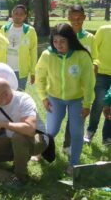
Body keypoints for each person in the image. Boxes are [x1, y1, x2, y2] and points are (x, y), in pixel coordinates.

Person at [35, 23, 95, 174]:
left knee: (76, 132)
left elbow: (89, 82)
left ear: (70, 40)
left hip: (77, 100)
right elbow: (40, 77)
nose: (58, 45)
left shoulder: (81, 56)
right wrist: (43, 97)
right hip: (54, 98)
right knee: (51, 130)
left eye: (62, 41)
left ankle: (74, 164)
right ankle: (41, 152)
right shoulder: (47, 55)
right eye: (55, 41)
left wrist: (87, 103)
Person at [62, 4, 97, 154]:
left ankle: (67, 145)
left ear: (84, 17)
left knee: (76, 117)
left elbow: (96, 58)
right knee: (58, 117)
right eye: (73, 18)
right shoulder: (63, 35)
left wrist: (95, 66)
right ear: (68, 17)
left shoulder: (90, 38)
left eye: (80, 18)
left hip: (83, 85)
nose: (76, 21)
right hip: (65, 82)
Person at [0, 5, 38, 91]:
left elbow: (33, 52)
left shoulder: (30, 31)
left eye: (21, 14)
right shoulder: (4, 29)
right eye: (16, 13)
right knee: (4, 95)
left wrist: (33, 72)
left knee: (19, 96)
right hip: (5, 69)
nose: (18, 16)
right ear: (12, 14)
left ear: (25, 16)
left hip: (21, 71)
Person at [85, 24, 111, 146]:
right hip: (101, 73)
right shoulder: (104, 30)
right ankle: (90, 131)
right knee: (99, 102)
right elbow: (93, 50)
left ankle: (107, 137)